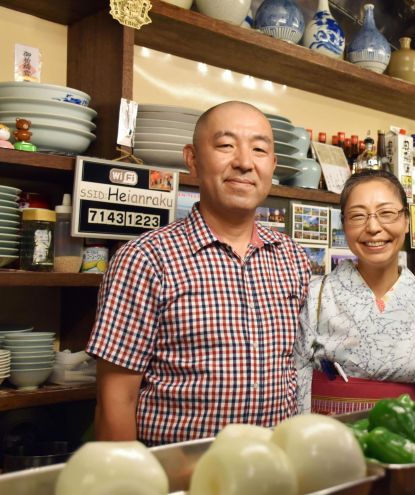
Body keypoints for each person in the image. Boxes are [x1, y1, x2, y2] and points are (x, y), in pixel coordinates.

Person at [87, 101, 311, 446]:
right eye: (225, 145)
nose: (244, 162)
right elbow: (116, 401)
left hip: (272, 470)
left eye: (260, 150)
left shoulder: (291, 257)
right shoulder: (145, 259)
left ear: (273, 166)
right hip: (179, 475)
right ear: (192, 159)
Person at [295, 169, 415, 414]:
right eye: (357, 216)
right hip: (324, 440)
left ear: (407, 222)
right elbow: (293, 382)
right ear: (343, 224)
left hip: (403, 441)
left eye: (387, 213)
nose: (373, 227)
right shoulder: (316, 296)